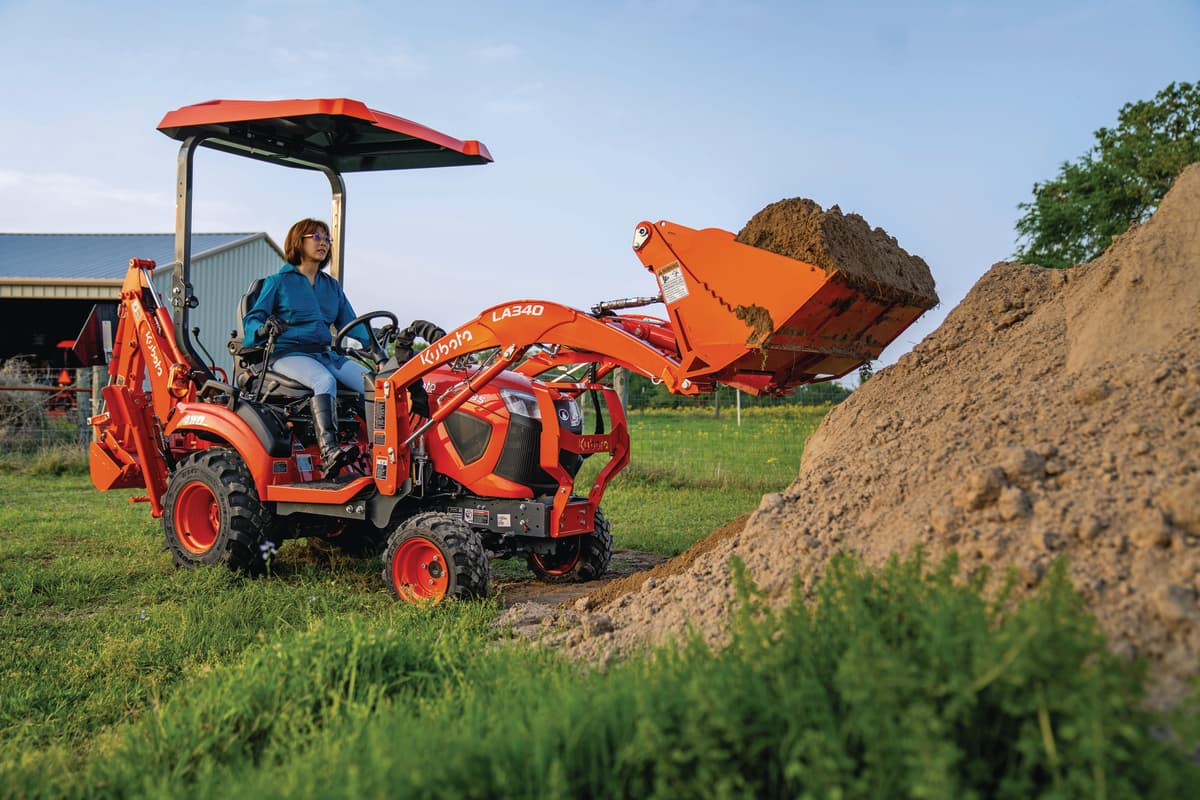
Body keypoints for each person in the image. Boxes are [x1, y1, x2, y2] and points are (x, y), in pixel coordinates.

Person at [242, 218, 370, 477]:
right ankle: (330, 451)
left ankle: (383, 449)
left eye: (327, 239)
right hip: (287, 353)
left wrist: (377, 339)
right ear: (298, 241)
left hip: (324, 354)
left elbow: (352, 324)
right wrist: (264, 329)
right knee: (324, 381)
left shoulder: (330, 286)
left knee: (375, 385)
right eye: (317, 237)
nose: (324, 243)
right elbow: (253, 320)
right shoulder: (278, 282)